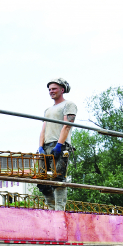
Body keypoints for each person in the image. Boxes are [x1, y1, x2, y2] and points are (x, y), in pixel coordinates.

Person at [37, 78, 77, 211]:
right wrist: (40, 147)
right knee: (42, 181)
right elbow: (43, 129)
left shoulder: (68, 105)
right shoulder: (48, 110)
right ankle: (51, 208)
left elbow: (67, 126)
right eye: (49, 89)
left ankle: (59, 210)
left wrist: (59, 145)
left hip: (60, 145)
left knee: (58, 179)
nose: (51, 91)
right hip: (46, 146)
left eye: (54, 88)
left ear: (62, 89)